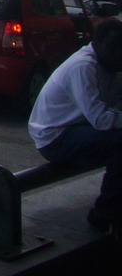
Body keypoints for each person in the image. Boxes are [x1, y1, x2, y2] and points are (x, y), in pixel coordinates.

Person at [29, 18, 122, 233]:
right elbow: (101, 119)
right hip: (56, 137)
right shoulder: (84, 67)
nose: (119, 55)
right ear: (96, 44)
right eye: (113, 48)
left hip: (79, 128)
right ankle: (105, 212)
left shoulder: (109, 65)